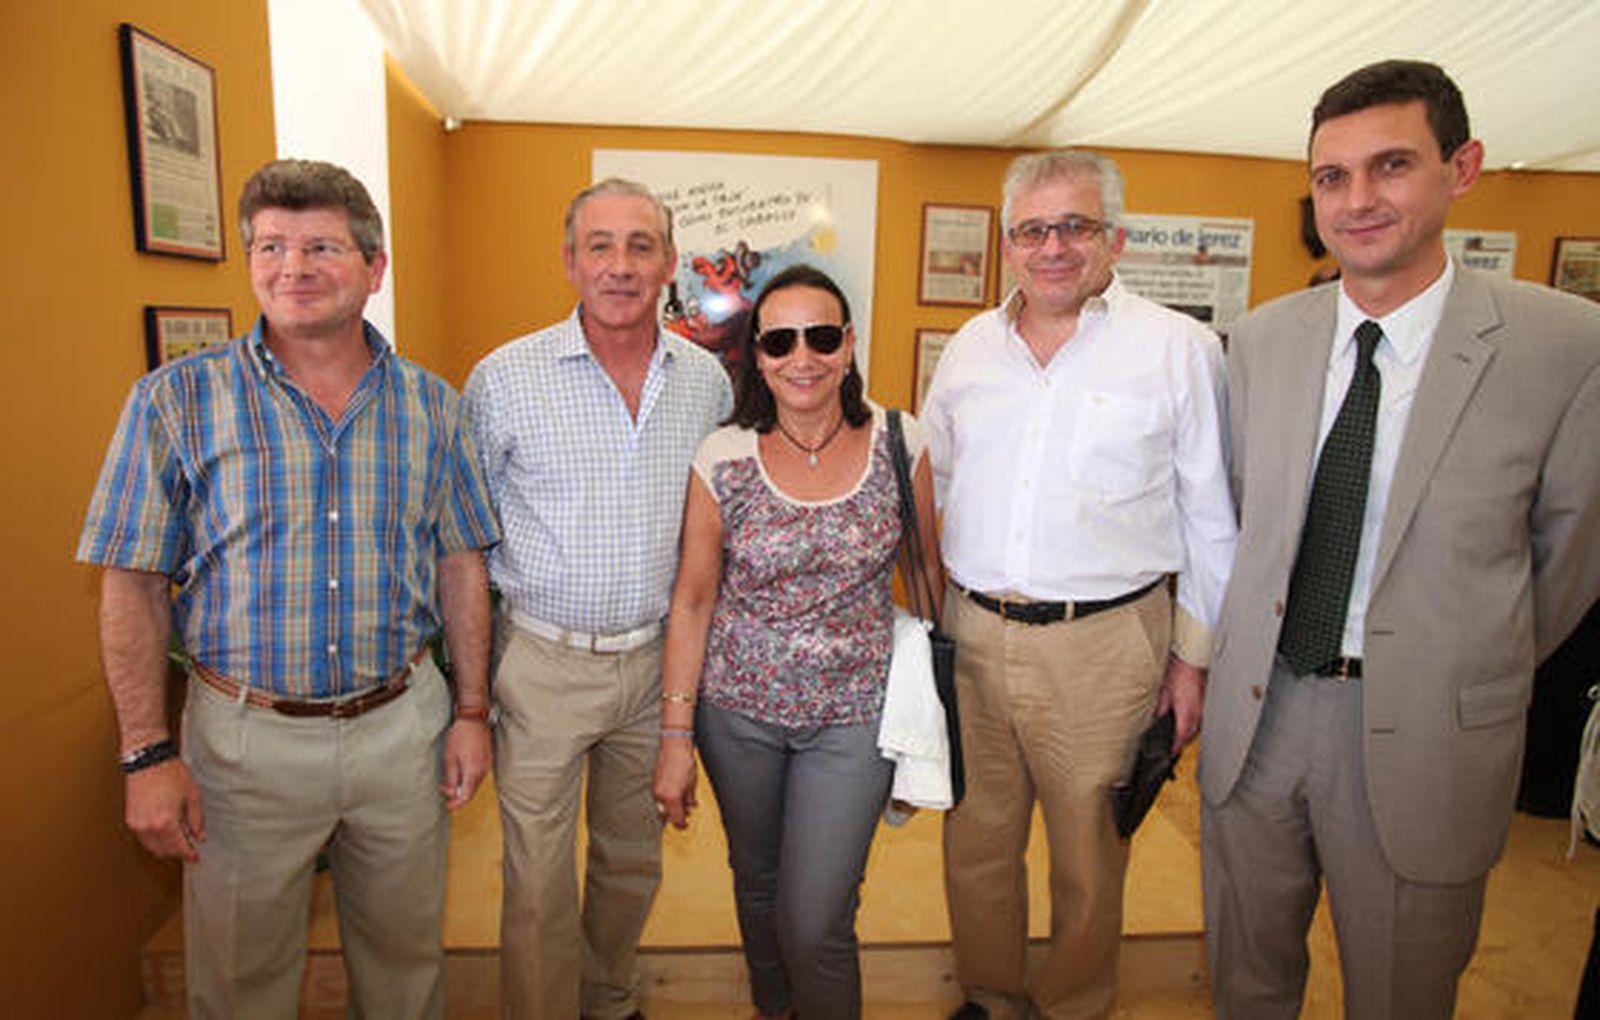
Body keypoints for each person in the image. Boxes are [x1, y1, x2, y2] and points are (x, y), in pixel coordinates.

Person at [1199, 60, 1600, 1019]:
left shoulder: (1564, 346)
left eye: (1390, 165)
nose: (1358, 199)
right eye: (1331, 176)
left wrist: (1455, 659)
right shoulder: (1260, 341)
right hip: (1259, 717)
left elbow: (1567, 556)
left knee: (1400, 997)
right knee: (1245, 986)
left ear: (1461, 168)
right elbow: (1254, 520)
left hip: (1424, 733)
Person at [76, 158, 501, 1019]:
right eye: (271, 245)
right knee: (237, 987)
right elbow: (130, 583)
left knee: (406, 973)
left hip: (401, 733)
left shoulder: (434, 407)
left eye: (321, 247)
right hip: (242, 748)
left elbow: (462, 566)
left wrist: (468, 714)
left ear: (375, 269)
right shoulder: (175, 402)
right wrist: (147, 754)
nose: (292, 268)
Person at [921, 151, 1236, 1020]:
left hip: (1107, 645)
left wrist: (1193, 661)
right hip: (975, 634)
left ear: (1115, 238)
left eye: (1076, 226)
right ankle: (988, 997)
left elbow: (1213, 521)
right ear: (1007, 243)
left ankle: (1072, 1006)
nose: (1052, 247)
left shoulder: (1178, 349)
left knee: (1090, 855)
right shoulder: (971, 349)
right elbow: (933, 487)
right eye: (1032, 229)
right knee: (976, 843)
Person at [463, 178, 732, 1020]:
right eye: (600, 246)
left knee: (631, 862)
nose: (620, 266)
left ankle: (609, 1000)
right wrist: (472, 697)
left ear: (668, 264)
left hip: (656, 665)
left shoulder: (707, 384)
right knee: (538, 877)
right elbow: (464, 545)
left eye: (640, 246)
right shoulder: (504, 378)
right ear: (570, 261)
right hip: (540, 663)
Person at [651, 263, 943, 1020]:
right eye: (779, 341)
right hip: (736, 714)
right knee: (756, 881)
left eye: (820, 336)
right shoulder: (724, 456)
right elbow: (692, 599)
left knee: (816, 915)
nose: (802, 357)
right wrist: (676, 736)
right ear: (757, 356)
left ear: (848, 345)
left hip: (853, 719)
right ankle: (773, 1006)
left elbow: (929, 578)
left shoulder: (901, 444)